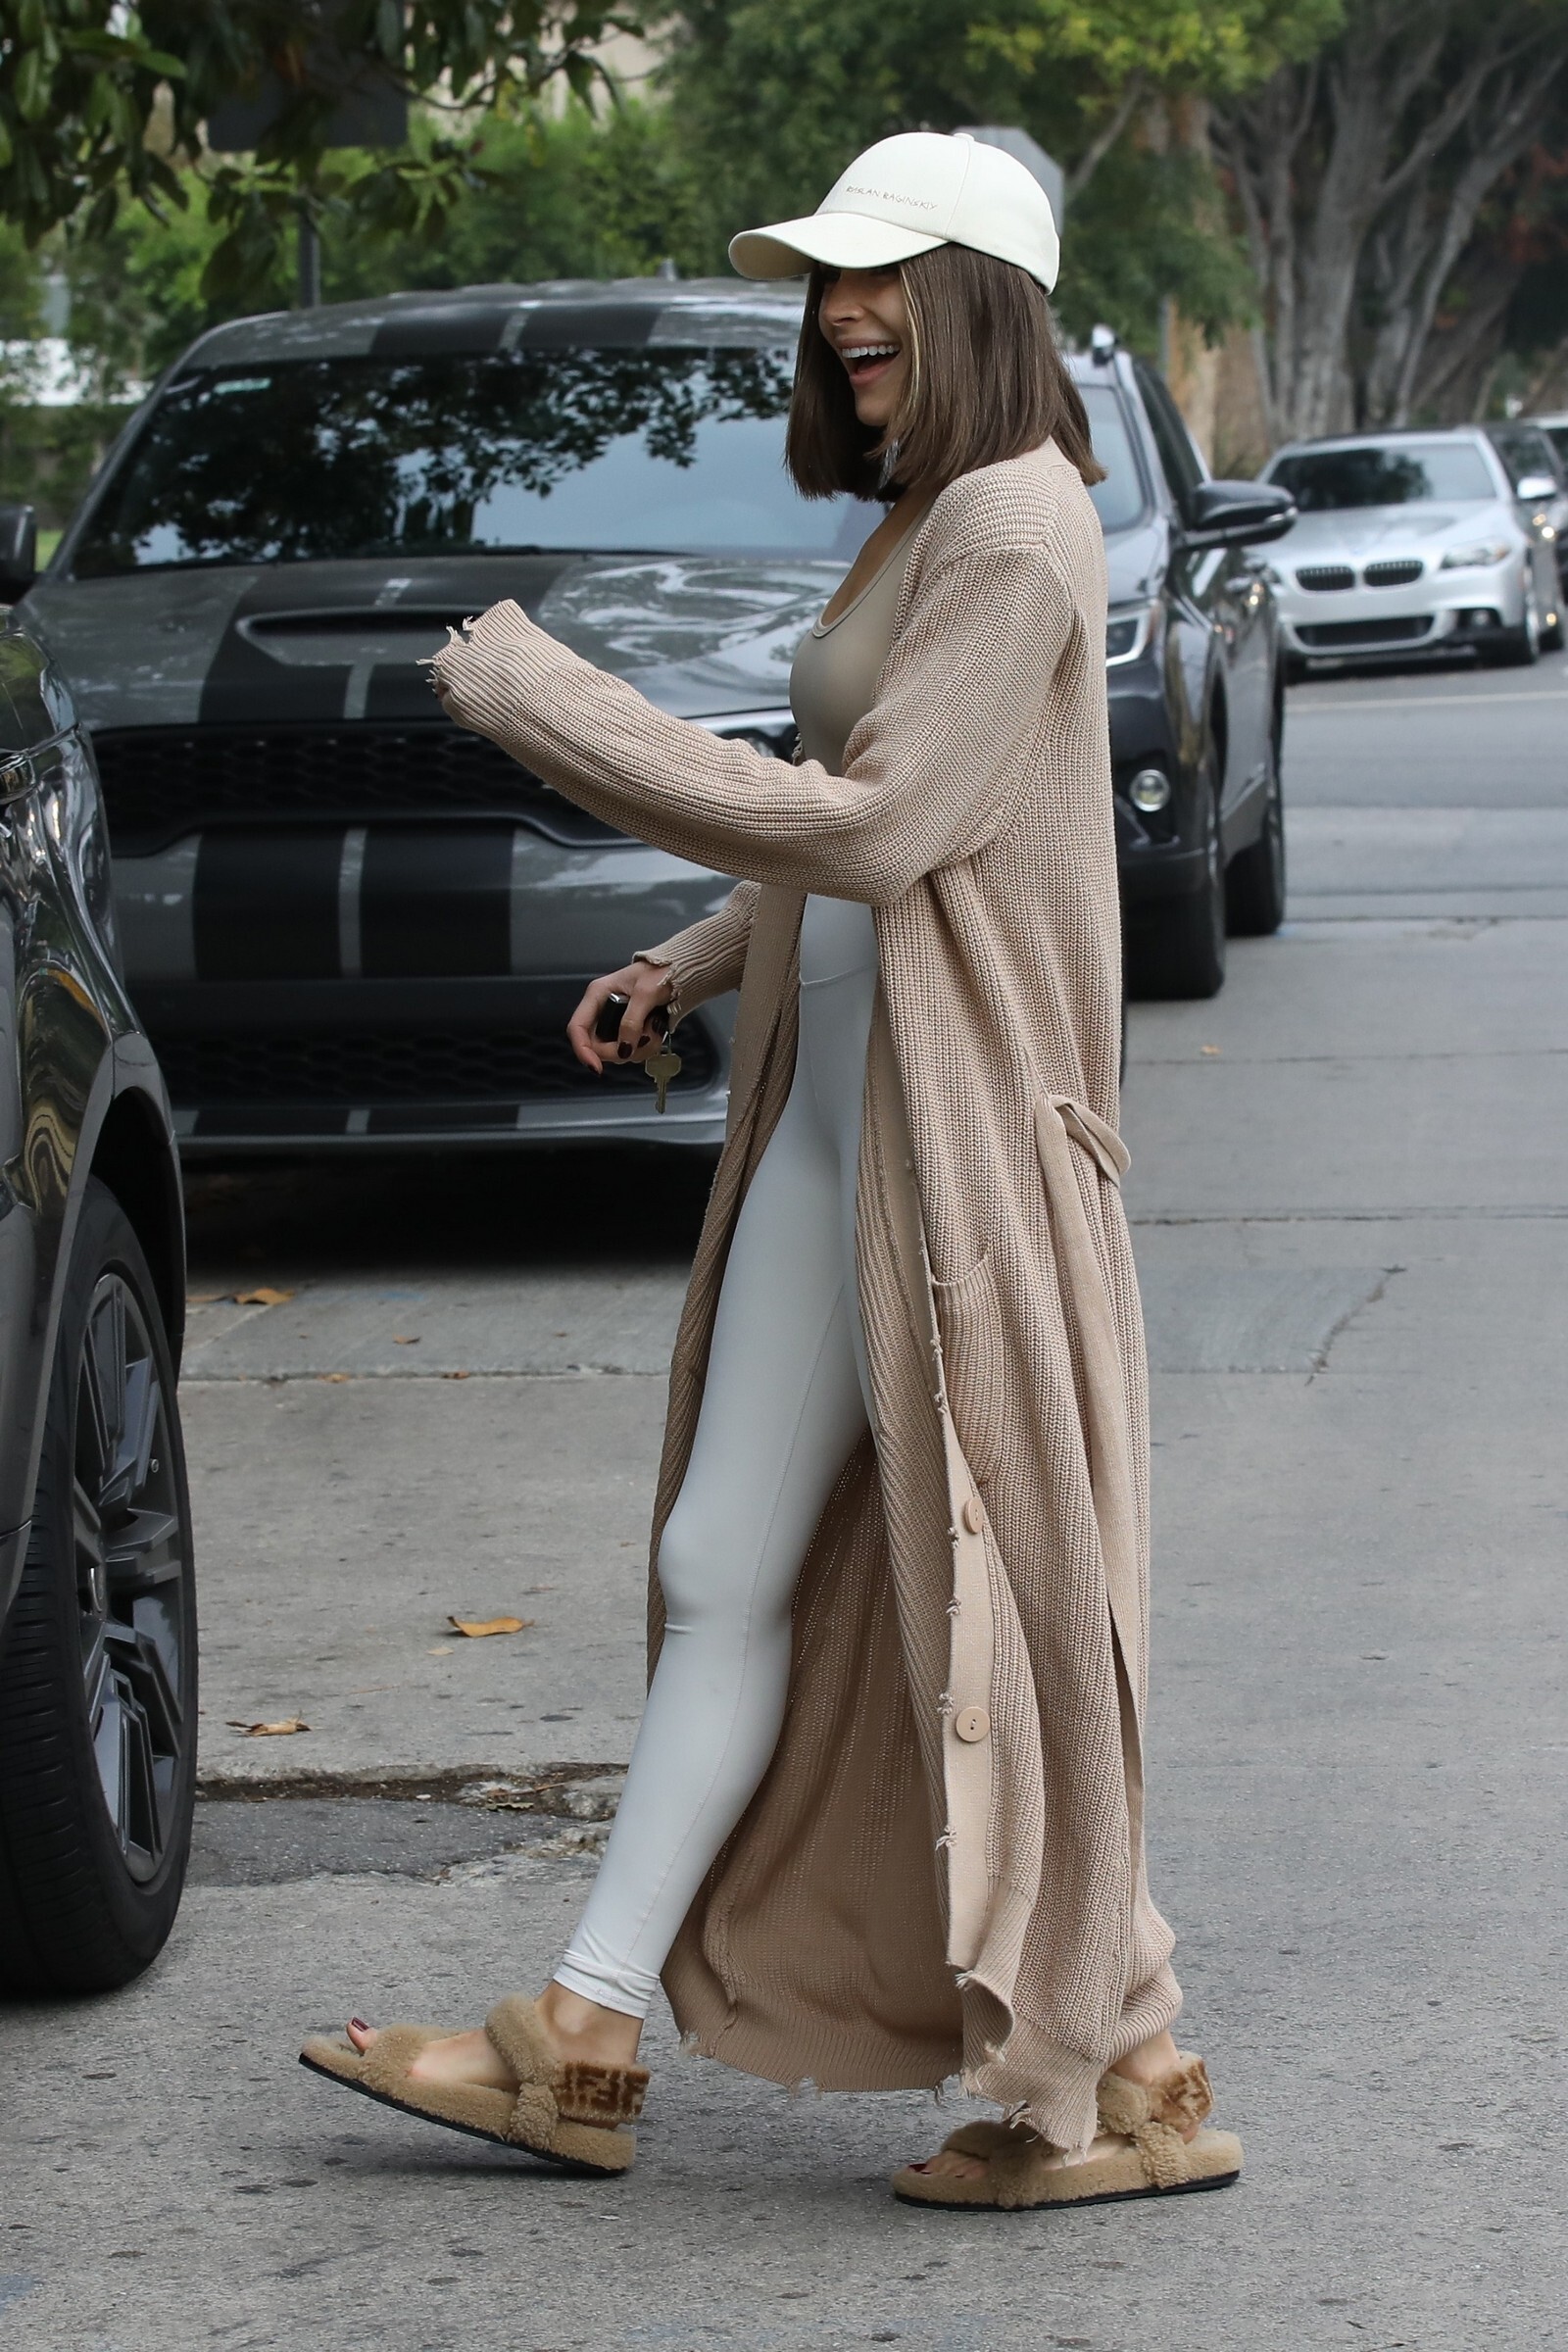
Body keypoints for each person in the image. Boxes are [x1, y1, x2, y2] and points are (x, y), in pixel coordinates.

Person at [301, 129, 1242, 2211]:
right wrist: (700, 955)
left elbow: (883, 834)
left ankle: (1108, 2070)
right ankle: (602, 2035)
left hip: (954, 1150)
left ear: (978, 290)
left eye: (882, 273)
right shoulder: (931, 516)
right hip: (838, 1114)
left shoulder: (1015, 522)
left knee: (1008, 1608)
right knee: (740, 1566)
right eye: (829, 281)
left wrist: (547, 703)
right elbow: (879, 802)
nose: (841, 310)